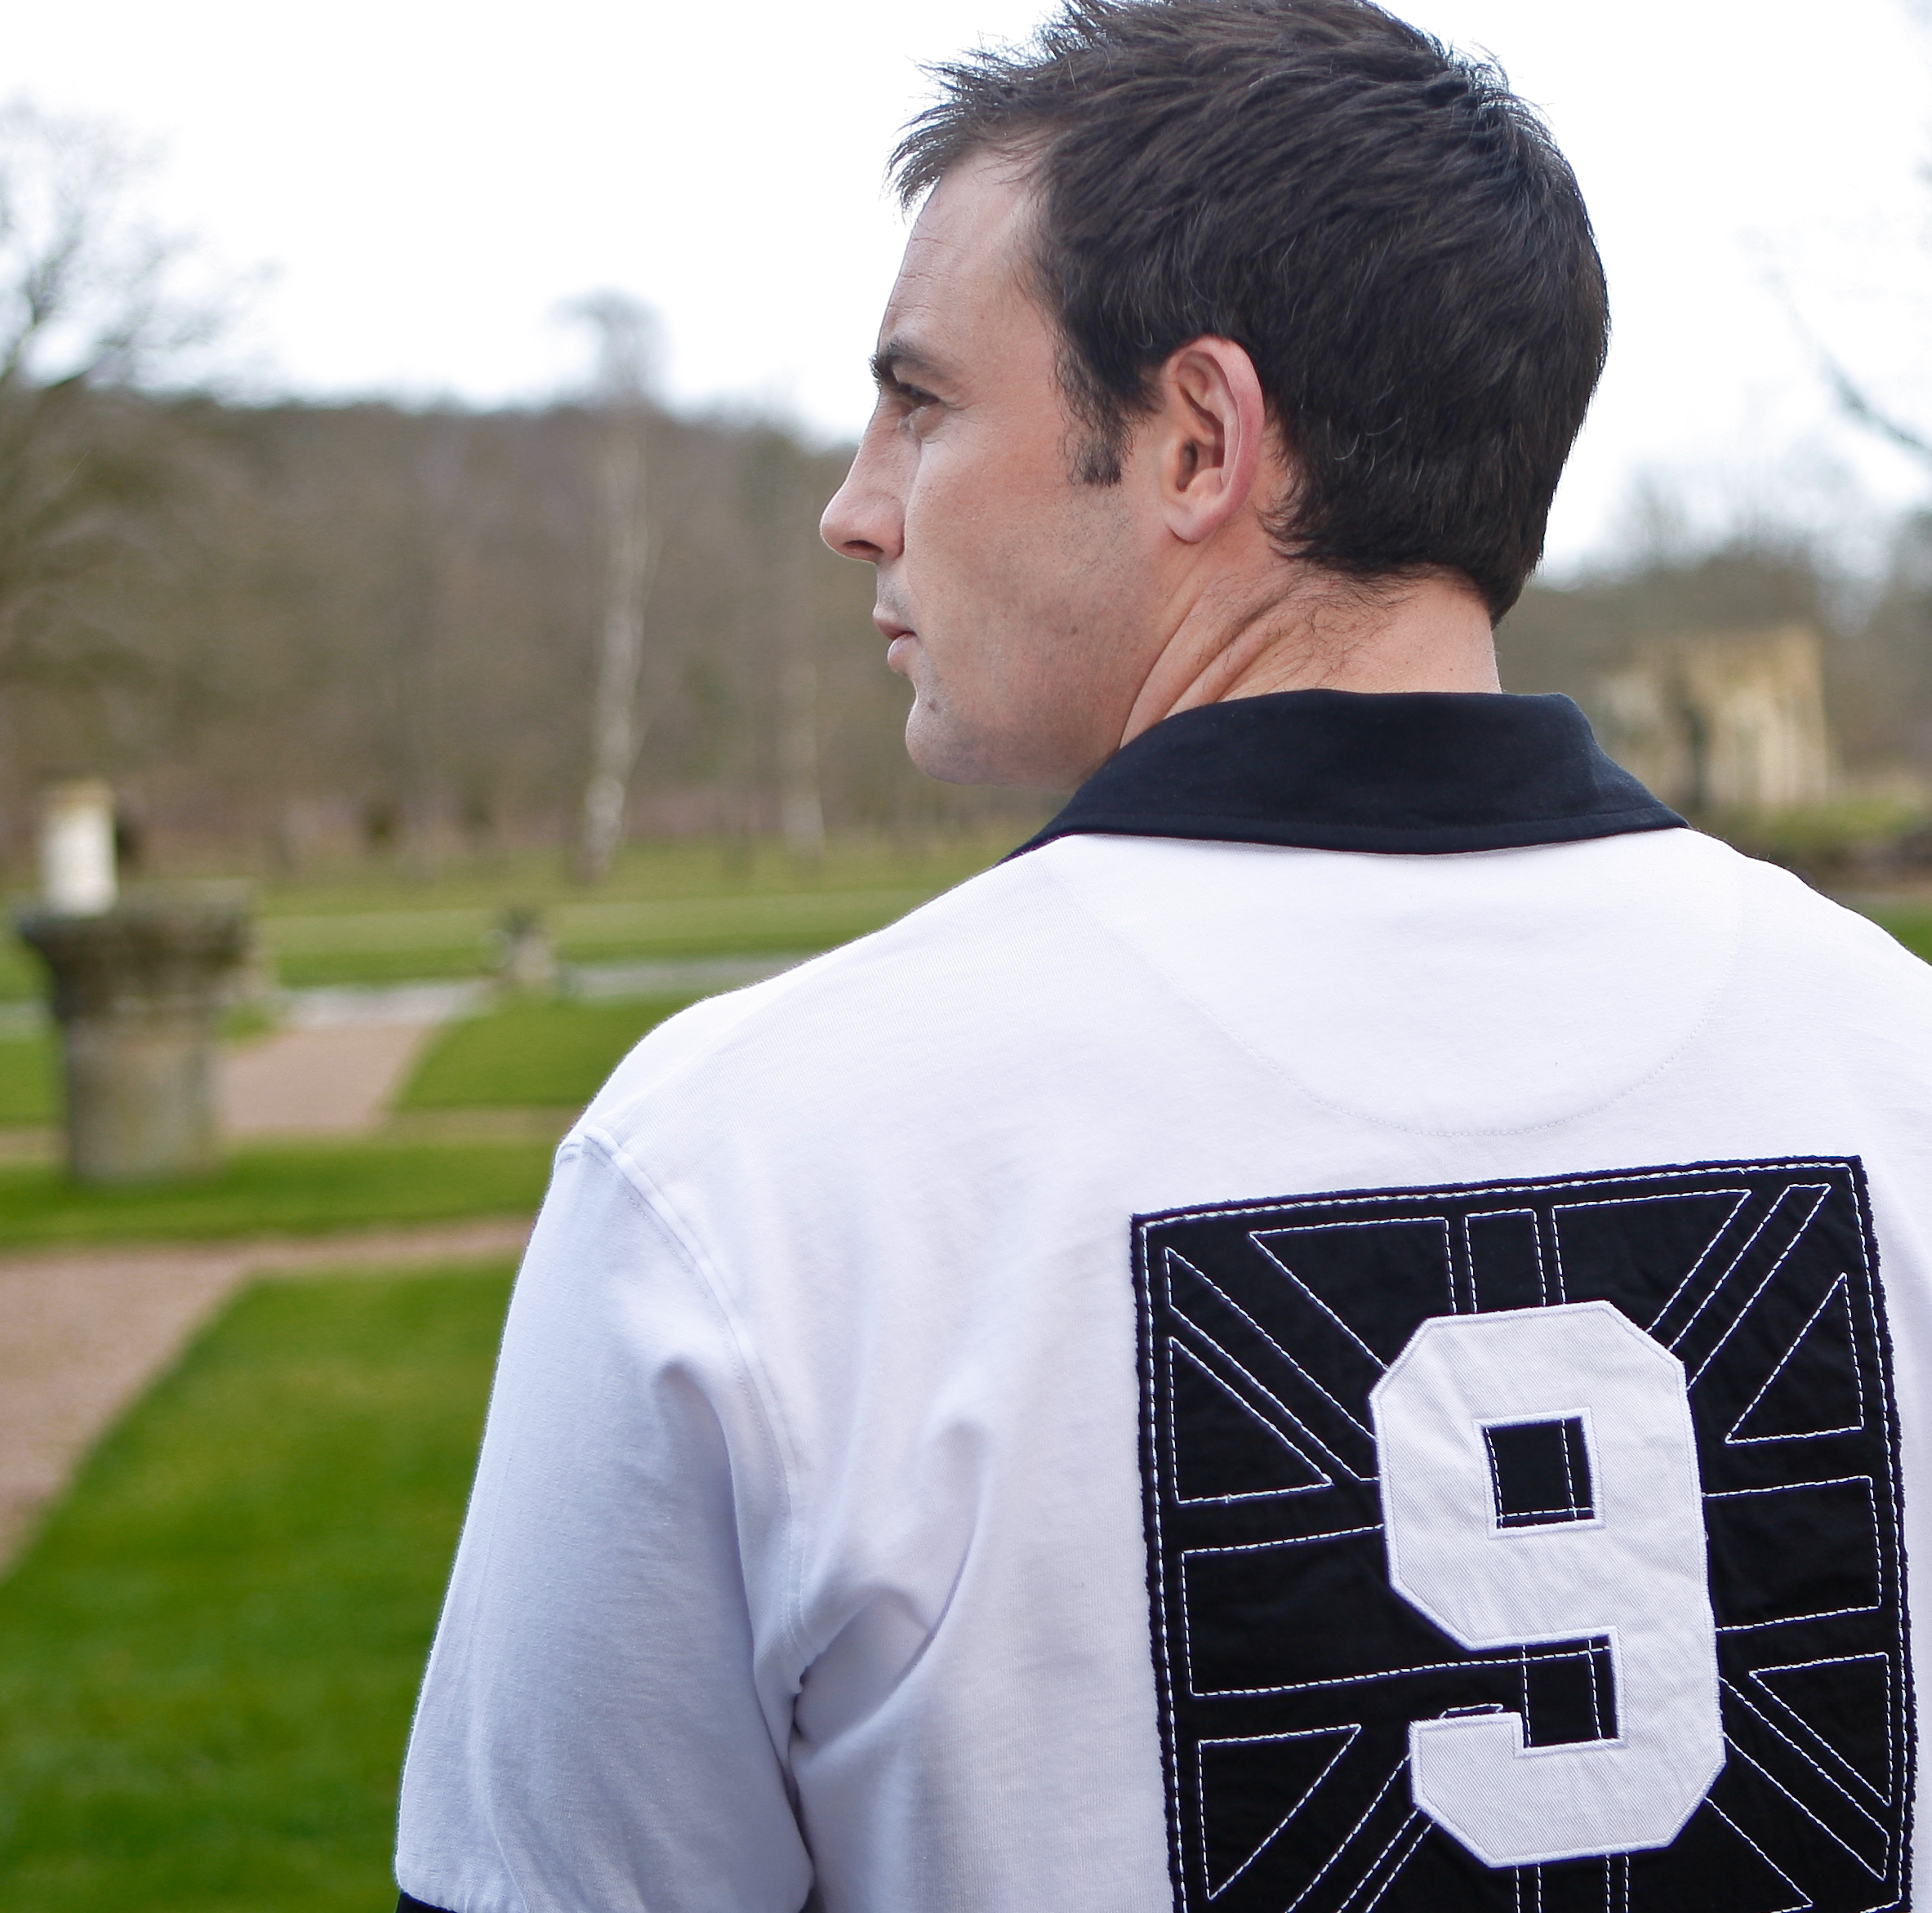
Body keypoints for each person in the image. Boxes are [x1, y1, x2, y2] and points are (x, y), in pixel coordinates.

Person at [395, 1, 1926, 1907]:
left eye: (921, 401)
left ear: (1195, 440)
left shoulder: (753, 1166)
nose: (854, 508)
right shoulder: (1897, 1059)